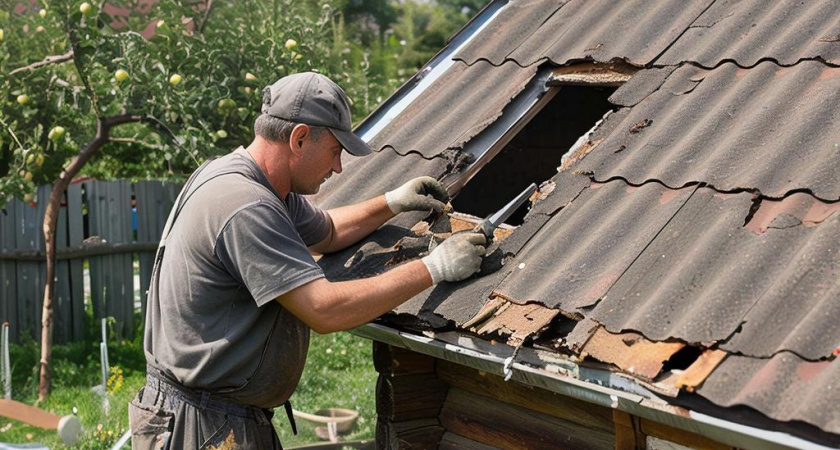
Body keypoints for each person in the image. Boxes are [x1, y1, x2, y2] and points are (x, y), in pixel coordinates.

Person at [128, 72, 487, 449]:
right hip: (203, 425)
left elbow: (327, 232)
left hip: (212, 412)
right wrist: (434, 267)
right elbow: (323, 310)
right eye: (335, 151)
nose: (338, 168)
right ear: (299, 138)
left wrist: (392, 202)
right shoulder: (246, 206)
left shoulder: (252, 181)